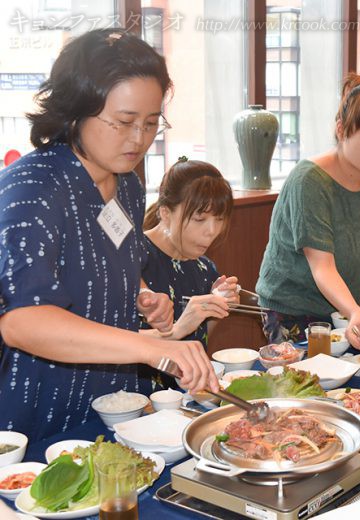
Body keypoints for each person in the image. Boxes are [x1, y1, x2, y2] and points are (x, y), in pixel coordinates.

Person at [0, 29, 217, 441]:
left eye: (151, 123)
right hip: (37, 412)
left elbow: (114, 258)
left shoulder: (128, 186)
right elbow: (23, 321)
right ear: (76, 110)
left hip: (113, 401)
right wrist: (153, 348)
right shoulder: (32, 189)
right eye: (123, 122)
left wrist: (141, 293)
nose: (139, 139)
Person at [256, 74, 360, 348]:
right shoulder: (311, 180)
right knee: (310, 381)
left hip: (338, 303)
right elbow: (321, 266)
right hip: (293, 307)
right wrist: (354, 311)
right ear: (341, 129)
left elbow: (352, 222)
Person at [141, 157, 239, 347]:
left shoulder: (205, 268)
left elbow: (198, 341)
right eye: (199, 219)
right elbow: (112, 341)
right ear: (165, 213)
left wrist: (217, 308)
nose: (212, 231)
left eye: (219, 219)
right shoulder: (133, 257)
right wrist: (178, 330)